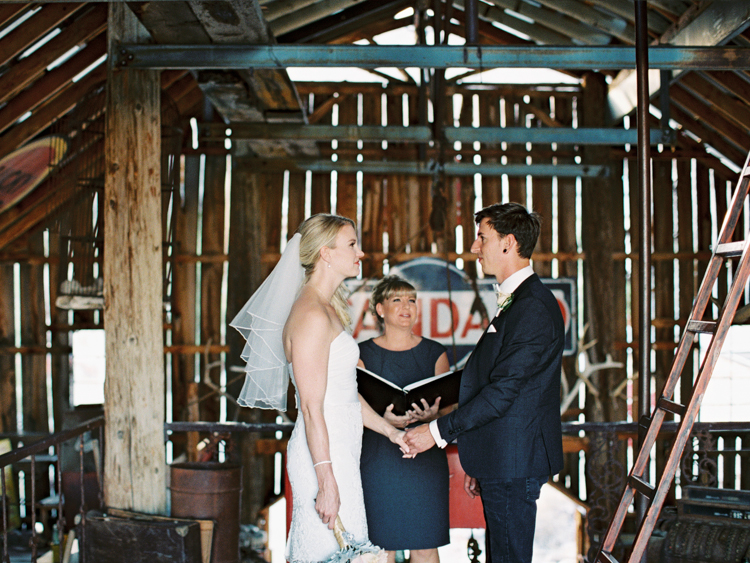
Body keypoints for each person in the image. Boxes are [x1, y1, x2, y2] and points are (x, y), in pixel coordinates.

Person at [230, 214, 411, 563]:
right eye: (352, 245)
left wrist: (390, 431)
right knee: (328, 551)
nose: (360, 253)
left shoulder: (328, 309)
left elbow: (342, 395)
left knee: (348, 552)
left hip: (340, 450)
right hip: (322, 458)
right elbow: (312, 408)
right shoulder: (312, 315)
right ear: (326, 253)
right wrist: (326, 481)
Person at [404, 202, 564, 563]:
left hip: (515, 460)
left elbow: (502, 392)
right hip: (502, 459)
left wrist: (436, 432)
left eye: (482, 237)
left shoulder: (532, 308)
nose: (475, 248)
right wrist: (484, 462)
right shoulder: (519, 301)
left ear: (508, 243)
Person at [358, 275, 451, 563]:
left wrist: (434, 415)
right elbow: (351, 406)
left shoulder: (435, 353)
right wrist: (381, 419)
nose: (406, 306)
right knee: (380, 547)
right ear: (380, 309)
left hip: (425, 461)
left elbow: (451, 409)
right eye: (396, 300)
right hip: (378, 459)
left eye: (411, 299)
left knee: (425, 545)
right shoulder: (360, 354)